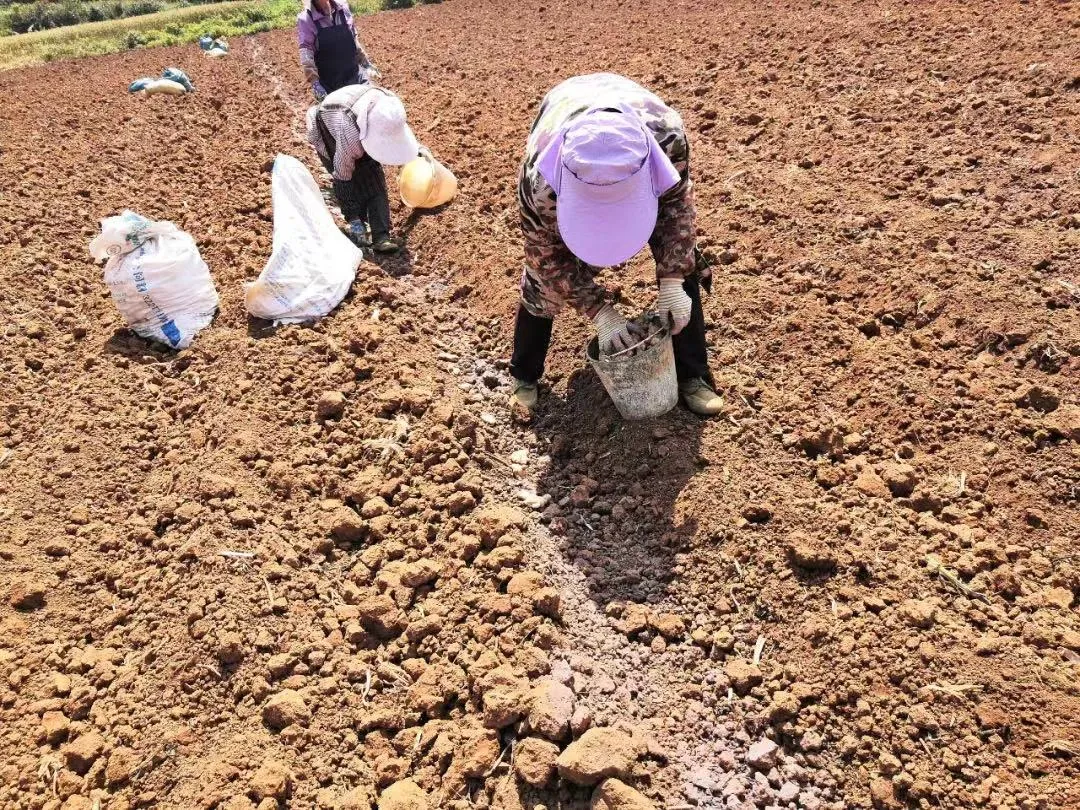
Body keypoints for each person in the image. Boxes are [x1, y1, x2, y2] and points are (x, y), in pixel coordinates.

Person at [510, 73, 723, 416]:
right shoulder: (541, 181)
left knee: (681, 266)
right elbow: (546, 258)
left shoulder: (667, 140)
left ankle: (693, 375)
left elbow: (676, 212)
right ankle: (524, 374)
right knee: (542, 283)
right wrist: (601, 312)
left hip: (635, 126)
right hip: (567, 109)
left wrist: (671, 279)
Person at [306, 84, 420, 253]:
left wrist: (419, 151)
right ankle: (357, 224)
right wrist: (353, 218)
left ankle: (381, 237)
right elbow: (342, 176)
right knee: (351, 181)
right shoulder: (350, 133)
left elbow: (399, 135)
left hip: (356, 118)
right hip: (328, 129)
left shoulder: (390, 109)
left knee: (374, 178)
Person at [297, 0, 379, 100]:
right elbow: (306, 51)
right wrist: (315, 83)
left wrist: (365, 63)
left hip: (355, 75)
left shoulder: (343, 8)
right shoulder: (306, 19)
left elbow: (353, 39)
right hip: (329, 85)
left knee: (374, 102)